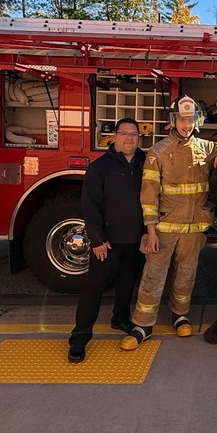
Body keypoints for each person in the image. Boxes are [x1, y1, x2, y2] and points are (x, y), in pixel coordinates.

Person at [121, 95, 217, 350]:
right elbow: (148, 194)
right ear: (173, 121)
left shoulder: (206, 148)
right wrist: (151, 229)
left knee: (186, 275)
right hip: (164, 229)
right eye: (181, 119)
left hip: (193, 230)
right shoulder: (158, 152)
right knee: (153, 276)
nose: (186, 125)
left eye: (190, 120)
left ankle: (180, 315)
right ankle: (142, 324)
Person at [67, 118, 147, 363]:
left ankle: (119, 318)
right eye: (124, 134)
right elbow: (89, 206)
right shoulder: (100, 167)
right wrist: (98, 239)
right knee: (94, 288)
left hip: (136, 239)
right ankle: (79, 339)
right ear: (114, 136)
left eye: (133, 134)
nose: (129, 138)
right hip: (108, 242)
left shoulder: (147, 163)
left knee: (127, 282)